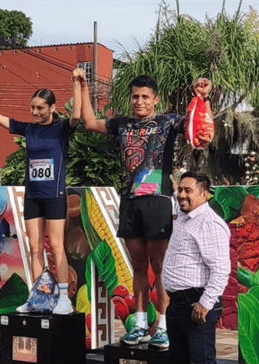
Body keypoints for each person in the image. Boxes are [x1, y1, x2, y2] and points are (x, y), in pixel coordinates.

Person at [80, 74, 213, 347]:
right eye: (135, 96)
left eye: (145, 97)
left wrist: (203, 98)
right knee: (138, 267)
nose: (140, 101)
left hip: (158, 200)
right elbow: (90, 122)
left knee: (160, 267)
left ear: (155, 100)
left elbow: (201, 132)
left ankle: (162, 326)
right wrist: (82, 88)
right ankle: (139, 324)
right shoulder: (122, 124)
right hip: (129, 201)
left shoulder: (168, 121)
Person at [0, 69, 84, 315]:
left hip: (54, 196)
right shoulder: (29, 130)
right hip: (33, 197)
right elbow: (0, 119)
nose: (35, 112)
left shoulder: (61, 129)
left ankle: (63, 297)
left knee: (56, 245)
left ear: (52, 108)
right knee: (34, 248)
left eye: (41, 108)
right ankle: (38, 296)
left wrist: (77, 83)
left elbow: (76, 115)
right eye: (32, 108)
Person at [162, 171, 230, 364]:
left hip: (196, 304)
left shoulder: (209, 224)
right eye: (180, 190)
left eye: (188, 191)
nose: (182, 195)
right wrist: (172, 188)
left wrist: (205, 302)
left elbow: (221, 269)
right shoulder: (185, 215)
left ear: (204, 195)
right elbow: (177, 200)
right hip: (177, 304)